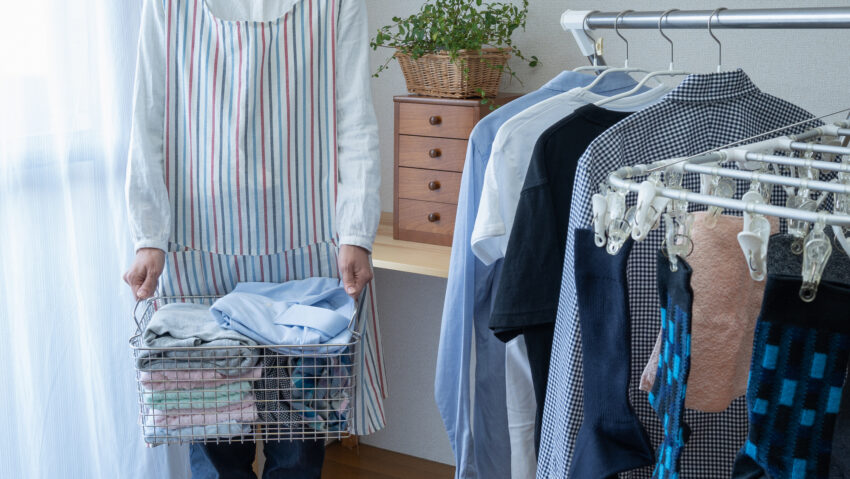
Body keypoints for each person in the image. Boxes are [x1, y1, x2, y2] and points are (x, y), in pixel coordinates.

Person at [122, 0, 387, 477]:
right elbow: (148, 118)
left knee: (299, 434)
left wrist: (355, 232)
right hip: (197, 244)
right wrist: (149, 236)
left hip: (307, 246)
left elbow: (355, 117)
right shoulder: (167, 7)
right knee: (211, 427)